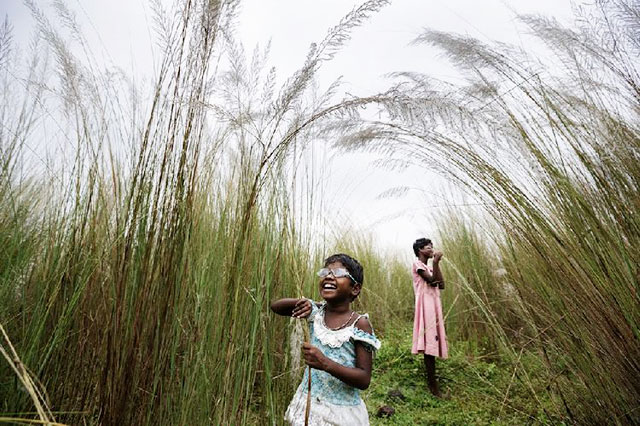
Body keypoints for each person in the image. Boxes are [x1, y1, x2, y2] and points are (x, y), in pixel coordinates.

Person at [270, 253, 380, 426]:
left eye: (338, 273)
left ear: (355, 288)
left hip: (340, 412)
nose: (329, 276)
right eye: (325, 272)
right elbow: (276, 306)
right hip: (309, 402)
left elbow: (364, 379)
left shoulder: (359, 324)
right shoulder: (316, 313)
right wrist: (302, 302)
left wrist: (325, 363)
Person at [411, 237, 448, 397]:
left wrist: (436, 265)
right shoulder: (418, 265)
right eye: (428, 247)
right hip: (425, 307)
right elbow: (432, 281)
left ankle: (433, 384)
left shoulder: (431, 267)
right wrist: (436, 262)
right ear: (420, 250)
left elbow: (442, 284)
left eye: (432, 246)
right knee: (428, 345)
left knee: (432, 342)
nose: (432, 249)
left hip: (433, 306)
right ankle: (433, 388)